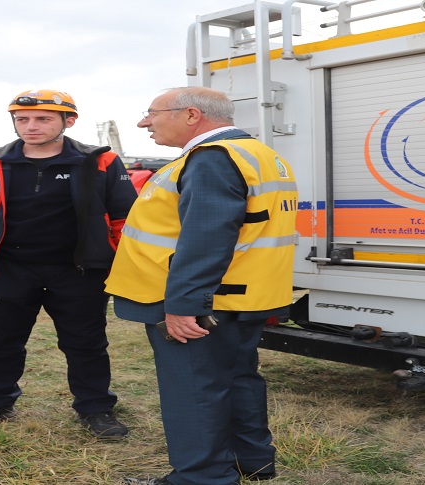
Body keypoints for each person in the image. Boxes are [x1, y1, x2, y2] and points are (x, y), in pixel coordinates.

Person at [109, 87, 298, 485]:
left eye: (152, 113)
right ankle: (253, 462)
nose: (145, 122)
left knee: (194, 391)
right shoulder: (259, 154)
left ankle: (202, 478)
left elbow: (206, 237)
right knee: (238, 379)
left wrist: (182, 304)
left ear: (191, 115)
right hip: (243, 296)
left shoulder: (212, 159)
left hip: (204, 303)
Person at [0, 89, 137, 439]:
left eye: (42, 119)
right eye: (22, 119)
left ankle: (96, 408)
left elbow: (124, 218)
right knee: (0, 341)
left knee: (86, 343)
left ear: (69, 121)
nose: (30, 126)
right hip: (9, 269)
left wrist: (118, 264)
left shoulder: (99, 161)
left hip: (78, 270)